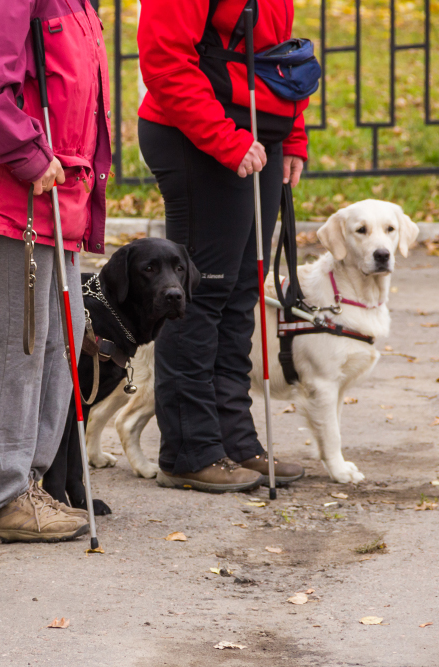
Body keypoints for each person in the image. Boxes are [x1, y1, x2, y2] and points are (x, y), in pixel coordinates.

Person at [0, 0, 111, 542]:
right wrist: (29, 155)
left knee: (62, 332)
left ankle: (27, 483)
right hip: (10, 190)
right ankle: (1, 496)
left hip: (56, 192)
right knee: (20, 339)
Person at [137, 0, 309, 492]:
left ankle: (234, 441)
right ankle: (190, 451)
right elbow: (165, 60)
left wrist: (291, 134)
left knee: (239, 295)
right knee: (198, 297)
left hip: (258, 133)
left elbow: (275, 56)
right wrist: (224, 139)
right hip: (197, 136)